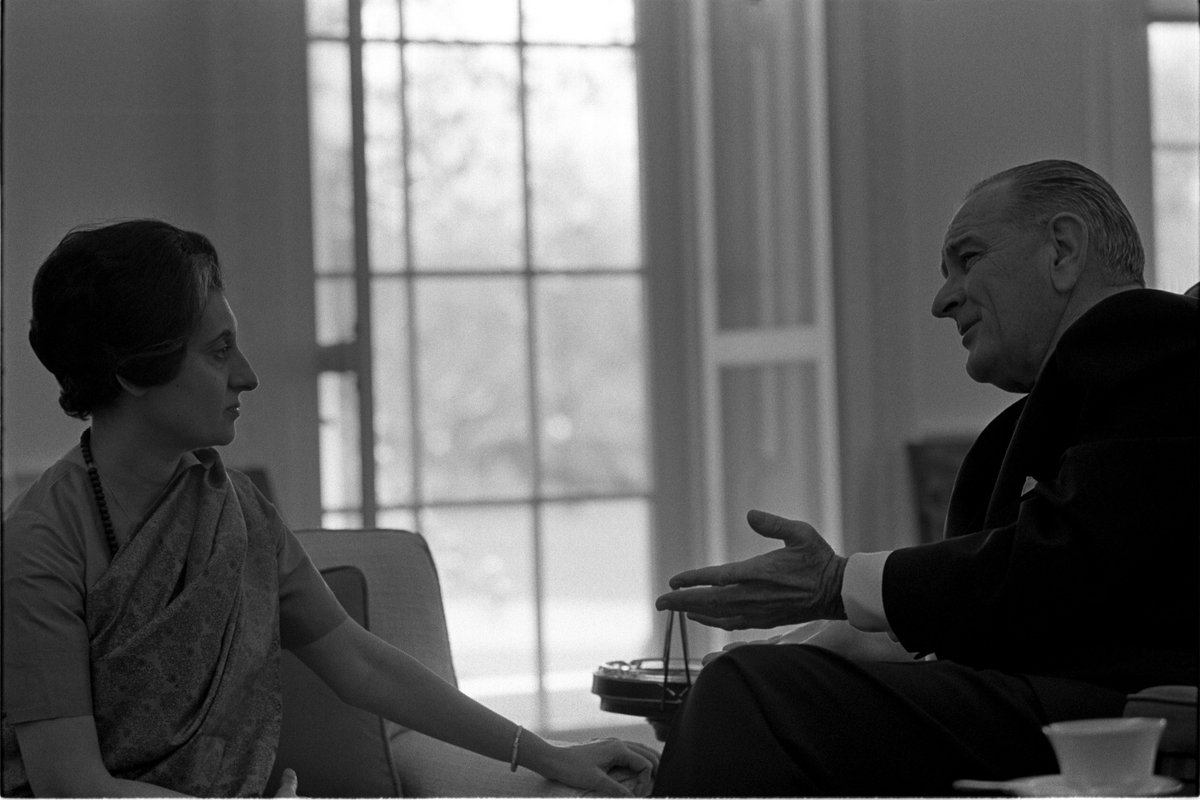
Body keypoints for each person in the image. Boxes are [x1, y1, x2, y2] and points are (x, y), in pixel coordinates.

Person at [1, 219, 659, 798]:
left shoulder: (234, 511)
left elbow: (358, 661)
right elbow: (71, 785)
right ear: (136, 371)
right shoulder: (40, 547)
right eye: (219, 351)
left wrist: (549, 755)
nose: (247, 376)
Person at [652, 159, 1198, 796]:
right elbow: (1013, 603)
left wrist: (838, 584)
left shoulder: (1158, 341)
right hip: (1054, 697)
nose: (943, 301)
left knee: (749, 698)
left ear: (1063, 249)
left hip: (1122, 717)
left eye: (968, 260)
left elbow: (1072, 567)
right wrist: (853, 640)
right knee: (760, 679)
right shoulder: (1023, 427)